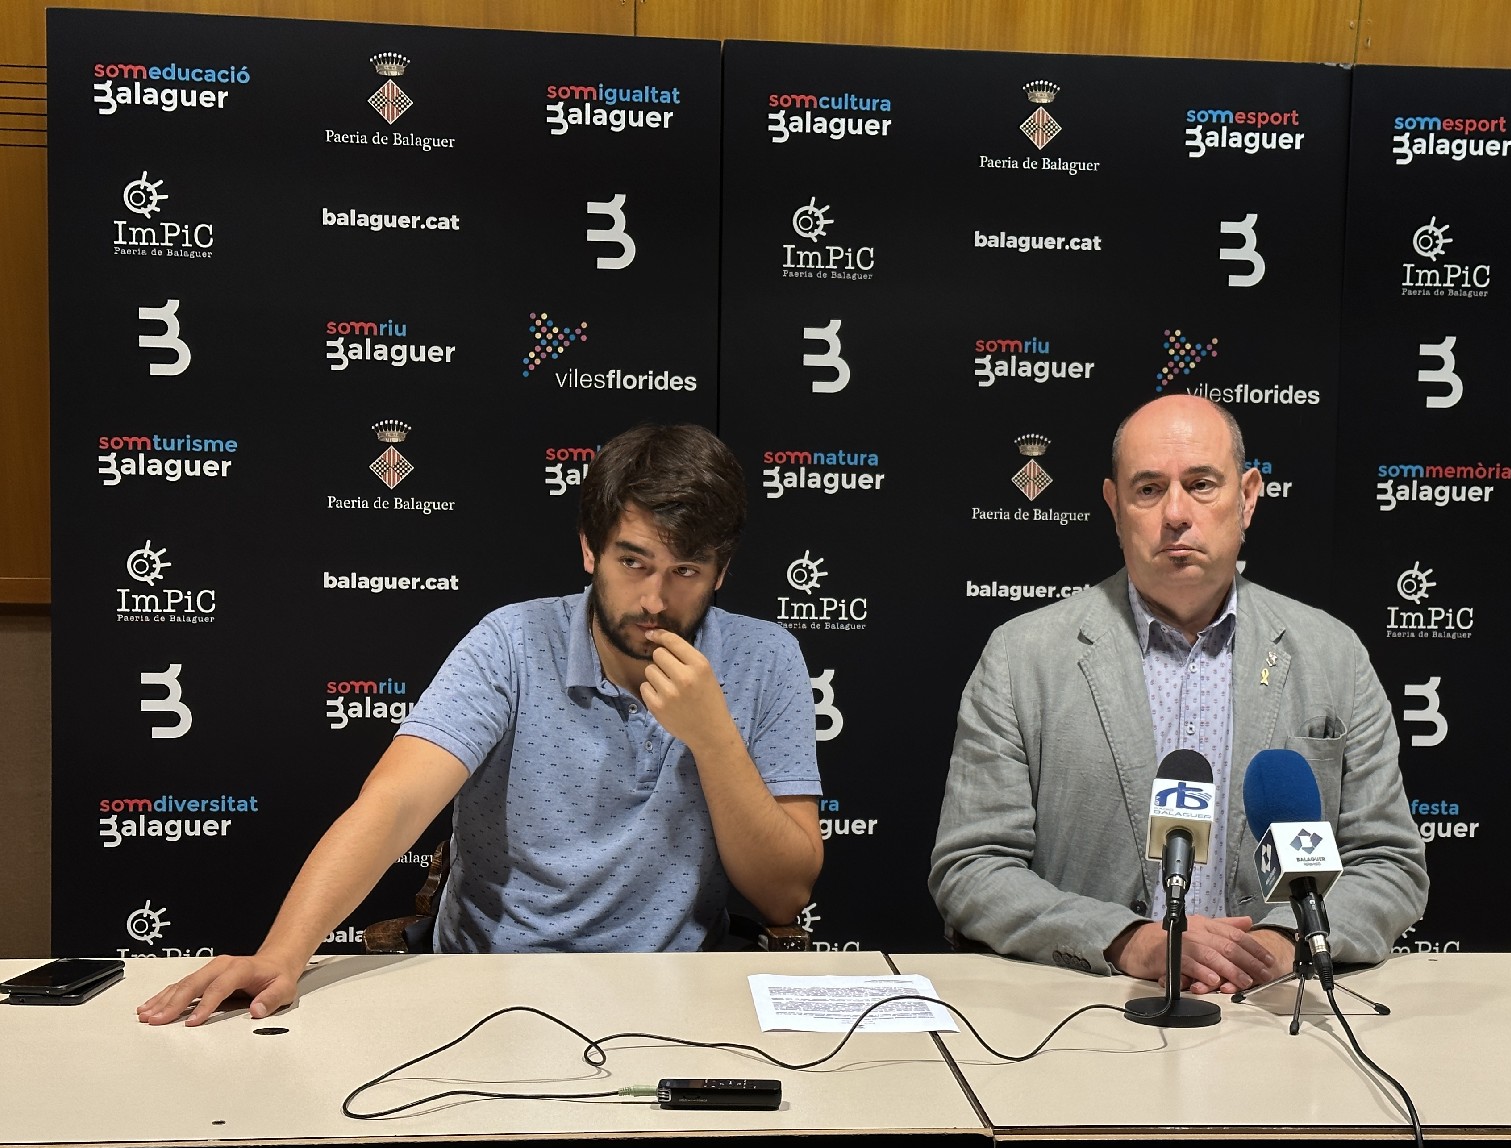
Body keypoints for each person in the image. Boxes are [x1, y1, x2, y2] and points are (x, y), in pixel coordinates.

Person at [140, 423, 823, 1027]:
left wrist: (713, 739)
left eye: (685, 571)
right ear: (590, 550)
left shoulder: (765, 658)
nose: (654, 599)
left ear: (721, 573)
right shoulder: (512, 642)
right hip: (489, 987)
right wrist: (281, 954)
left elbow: (785, 892)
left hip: (675, 991)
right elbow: (394, 803)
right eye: (632, 561)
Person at [929, 394, 1426, 995]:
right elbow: (972, 868)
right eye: (1148, 489)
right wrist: (1127, 940)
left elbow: (1389, 864)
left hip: (1272, 1009)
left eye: (1201, 485)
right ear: (1114, 506)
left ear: (1247, 498)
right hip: (1094, 1012)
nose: (1175, 513)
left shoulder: (1333, 656)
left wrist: (1280, 944)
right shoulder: (1021, 657)